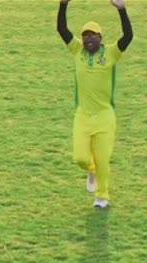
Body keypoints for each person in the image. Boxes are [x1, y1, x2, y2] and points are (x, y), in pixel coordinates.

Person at [57, 0, 134, 208]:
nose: (88, 39)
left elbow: (128, 37)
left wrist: (121, 9)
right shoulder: (77, 52)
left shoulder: (111, 53)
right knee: (80, 158)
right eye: (85, 36)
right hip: (82, 115)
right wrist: (63, 4)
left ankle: (102, 196)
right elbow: (61, 29)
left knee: (103, 160)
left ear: (101, 38)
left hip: (104, 117)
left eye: (93, 36)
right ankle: (90, 170)